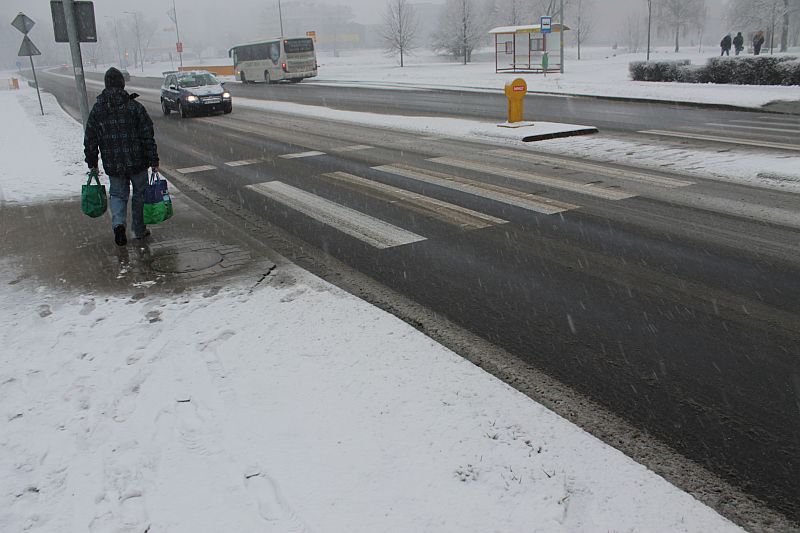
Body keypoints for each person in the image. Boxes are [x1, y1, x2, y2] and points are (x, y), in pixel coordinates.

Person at [84, 67, 159, 246]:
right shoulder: (134, 107)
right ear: (122, 84)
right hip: (137, 162)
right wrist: (153, 159)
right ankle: (139, 230)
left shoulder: (98, 109)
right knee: (139, 195)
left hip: (113, 163)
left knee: (118, 195)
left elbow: (90, 138)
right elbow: (147, 135)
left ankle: (118, 225)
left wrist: (92, 161)